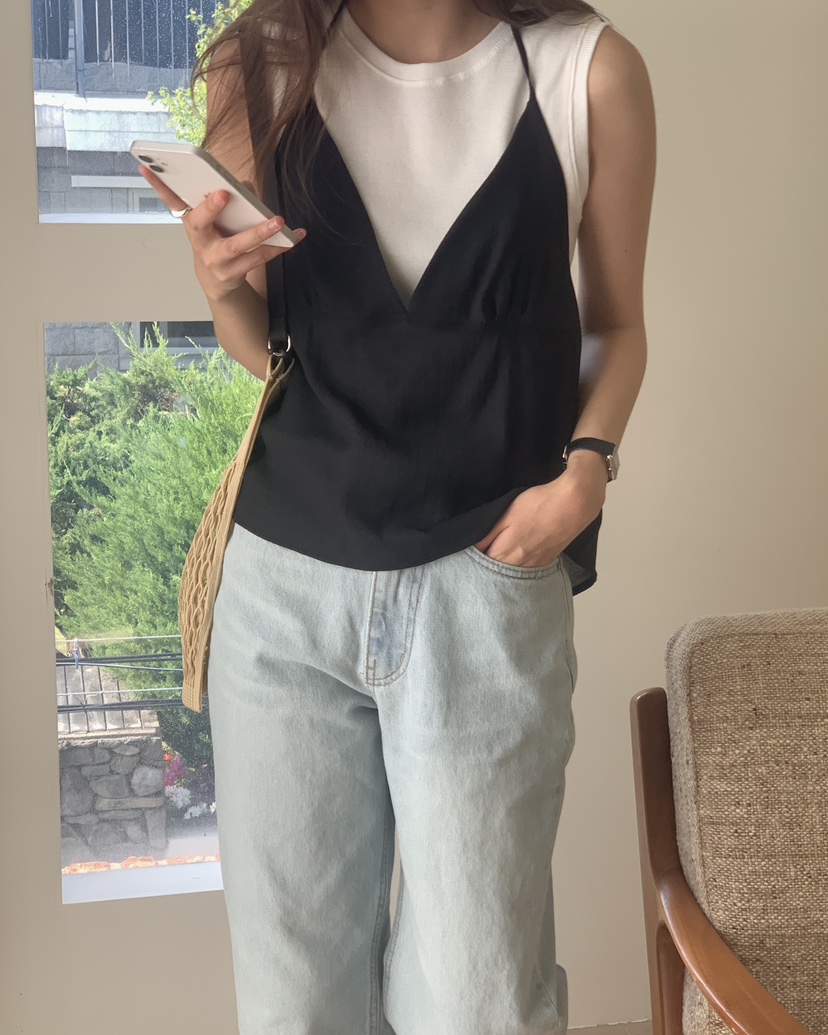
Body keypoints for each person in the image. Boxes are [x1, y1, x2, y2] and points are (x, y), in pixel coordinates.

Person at [140, 0, 655, 1031]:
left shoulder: (588, 70)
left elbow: (616, 323)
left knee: (480, 1002)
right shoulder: (262, 64)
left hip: (485, 586)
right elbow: (266, 347)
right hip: (282, 593)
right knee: (296, 1006)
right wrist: (220, 283)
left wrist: (587, 472)